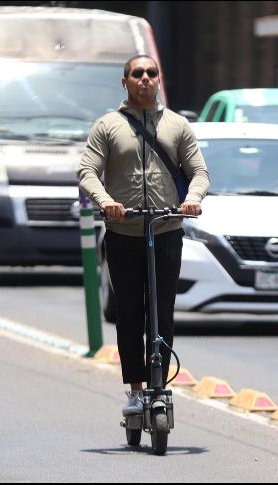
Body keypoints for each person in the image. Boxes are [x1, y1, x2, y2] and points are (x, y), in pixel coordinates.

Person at [79, 55, 210, 417]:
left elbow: (199, 171)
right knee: (130, 314)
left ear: (159, 79)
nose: (145, 79)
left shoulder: (178, 125)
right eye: (138, 74)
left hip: (166, 230)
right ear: (125, 81)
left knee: (162, 314)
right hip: (124, 233)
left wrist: (192, 200)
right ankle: (136, 390)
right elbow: (87, 171)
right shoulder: (108, 126)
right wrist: (106, 202)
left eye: (151, 73)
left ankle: (159, 384)